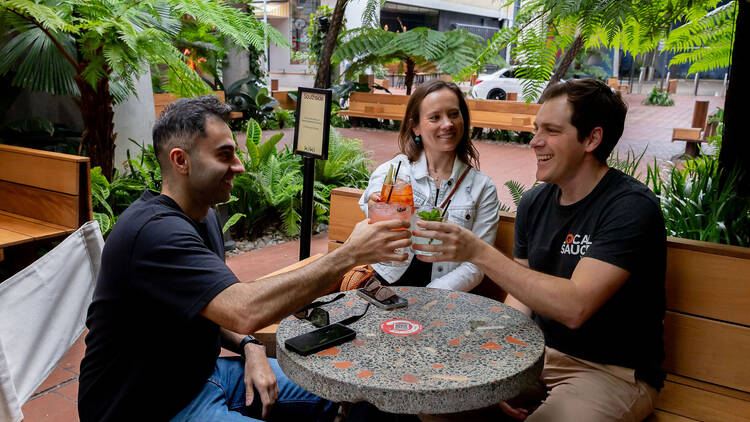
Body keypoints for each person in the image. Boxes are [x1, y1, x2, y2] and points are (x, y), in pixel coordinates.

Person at [78, 95, 411, 422]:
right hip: (149, 407)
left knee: (365, 399)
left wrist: (251, 347)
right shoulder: (152, 233)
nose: (239, 166)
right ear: (181, 161)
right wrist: (350, 254)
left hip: (205, 377)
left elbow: (213, 305)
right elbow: (244, 309)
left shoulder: (204, 214)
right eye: (225, 155)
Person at [413, 79, 666, 422]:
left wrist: (478, 252)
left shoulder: (629, 208)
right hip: (537, 355)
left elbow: (575, 306)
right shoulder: (534, 202)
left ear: (592, 139)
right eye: (536, 129)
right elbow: (522, 296)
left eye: (551, 131)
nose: (535, 142)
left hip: (610, 373)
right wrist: (499, 372)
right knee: (435, 399)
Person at [359, 80, 500, 292]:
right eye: (435, 117)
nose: (448, 124)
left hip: (445, 295)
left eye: (454, 114)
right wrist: (375, 203)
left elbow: (476, 264)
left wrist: (431, 296)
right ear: (415, 126)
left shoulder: (482, 187)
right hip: (386, 286)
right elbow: (373, 198)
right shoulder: (396, 170)